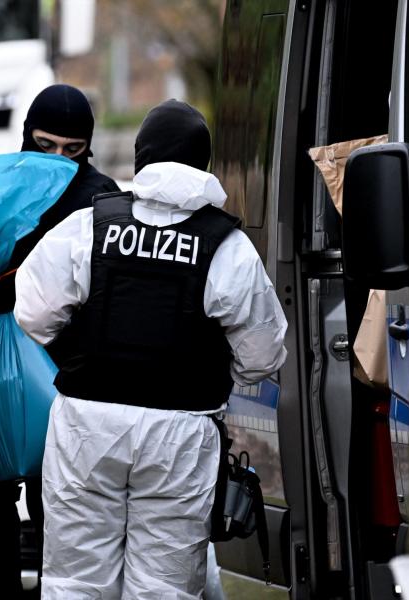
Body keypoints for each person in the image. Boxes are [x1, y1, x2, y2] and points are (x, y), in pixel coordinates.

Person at [14, 99, 288, 598]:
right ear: (204, 164)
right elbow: (263, 356)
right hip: (179, 434)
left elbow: (33, 311)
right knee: (163, 588)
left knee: (75, 583)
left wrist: (80, 347)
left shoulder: (90, 225)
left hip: (86, 424)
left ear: (142, 159)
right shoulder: (227, 246)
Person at [0, 84, 119, 599]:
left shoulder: (102, 200)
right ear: (27, 136)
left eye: (73, 149)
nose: (58, 161)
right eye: (45, 146)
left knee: (63, 530)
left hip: (65, 384)